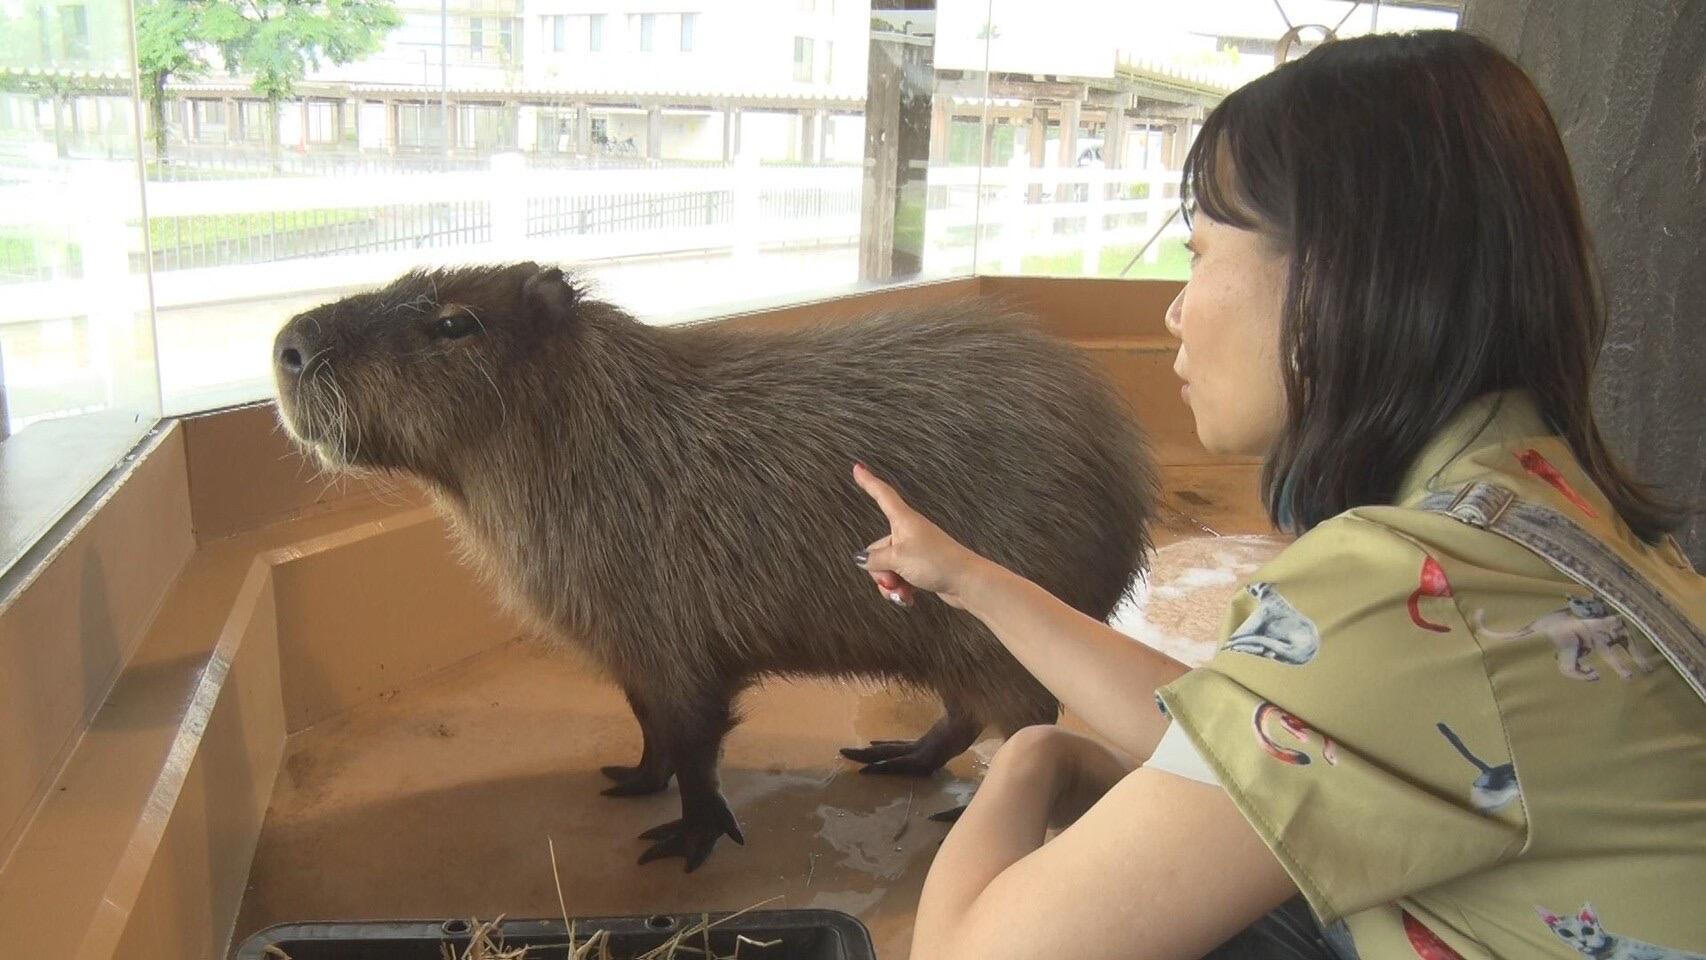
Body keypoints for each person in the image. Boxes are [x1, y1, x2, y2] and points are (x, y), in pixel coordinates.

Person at [851, 29, 1706, 960]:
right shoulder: (1535, 504)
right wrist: (968, 578)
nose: (1175, 310)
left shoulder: (1413, 586)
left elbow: (972, 953)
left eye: (1201, 251)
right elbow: (1249, 715)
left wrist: (1028, 757)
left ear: (1336, 276)